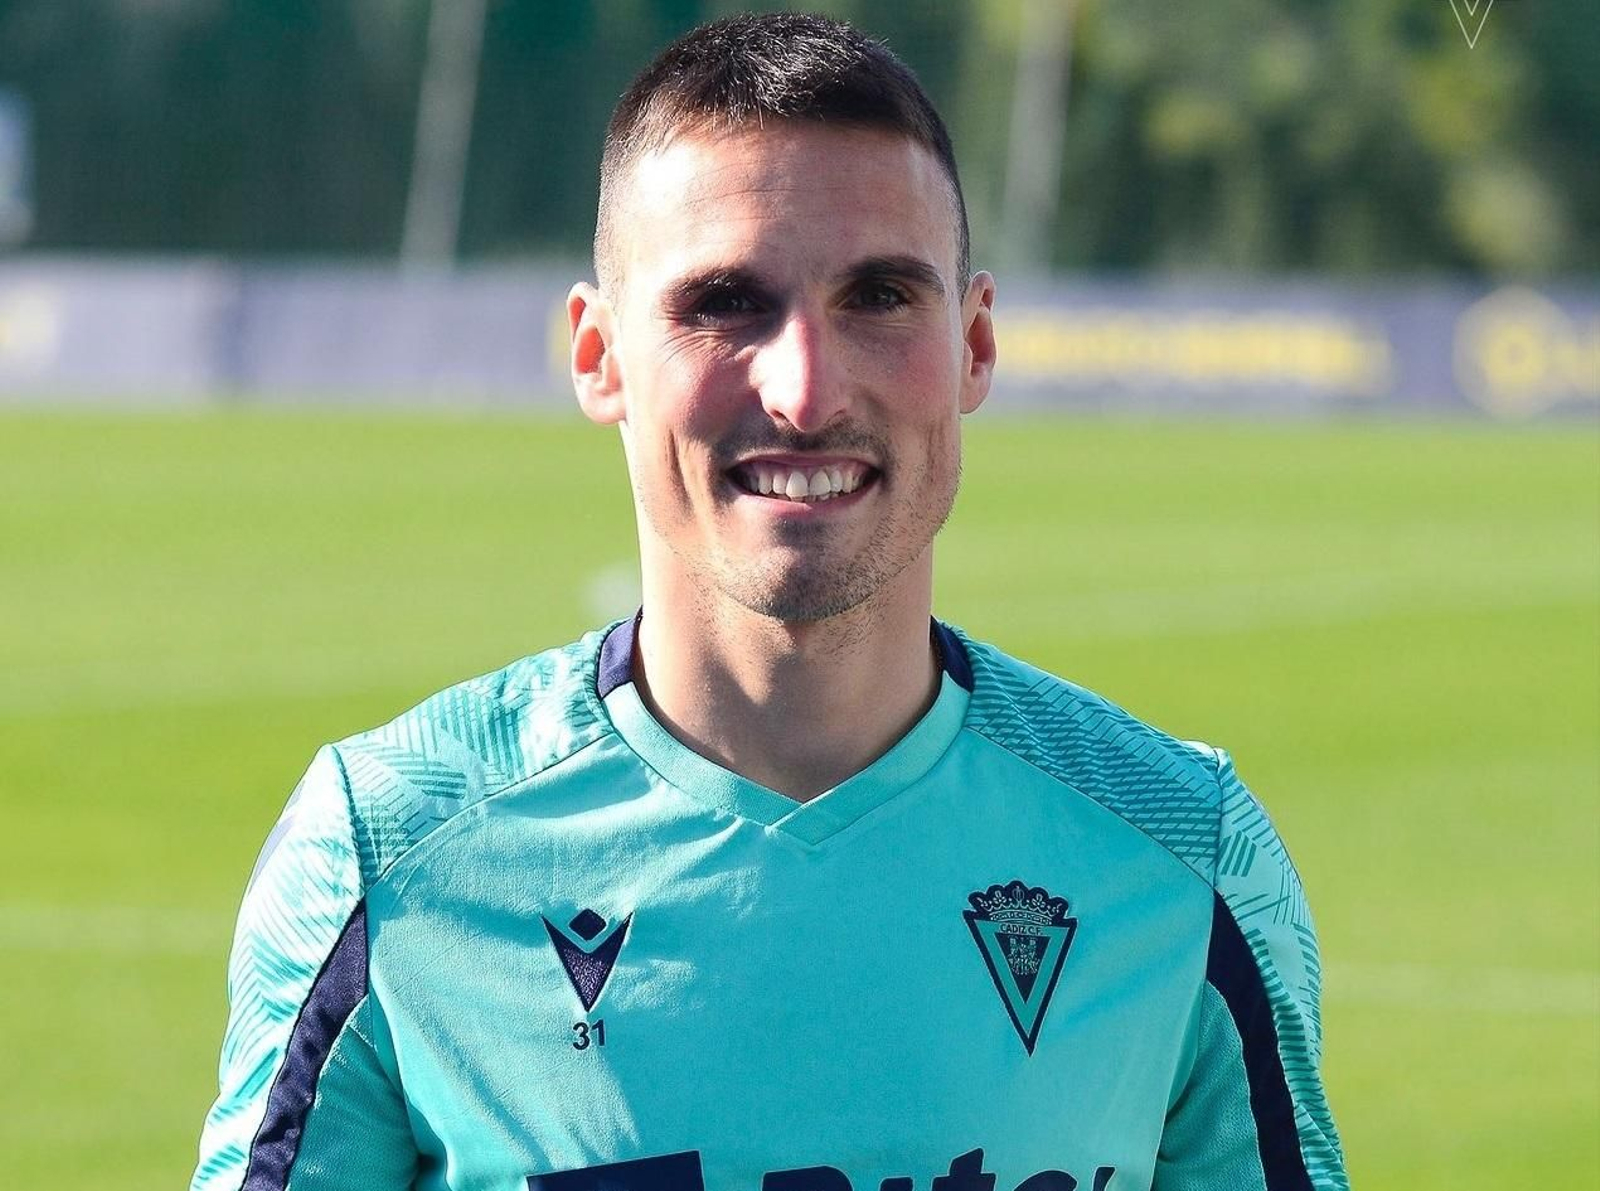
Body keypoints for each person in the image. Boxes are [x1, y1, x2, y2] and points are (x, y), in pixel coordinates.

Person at [192, 13, 1347, 1191]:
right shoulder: (387, 852)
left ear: (974, 345)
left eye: (880, 296)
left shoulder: (1183, 855)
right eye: (724, 303)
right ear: (599, 356)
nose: (804, 391)